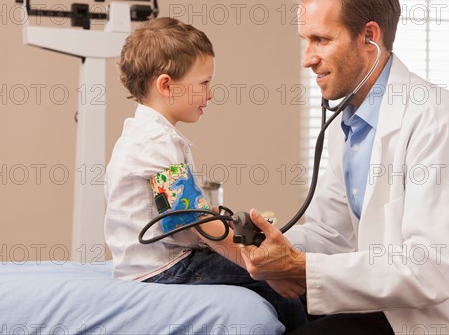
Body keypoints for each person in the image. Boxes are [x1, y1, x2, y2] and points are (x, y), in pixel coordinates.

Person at [239, 0, 449, 334]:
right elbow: (331, 236)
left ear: (369, 36)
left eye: (321, 40)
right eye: (305, 40)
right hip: (394, 314)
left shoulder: (439, 126)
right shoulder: (348, 124)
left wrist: (299, 268)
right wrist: (269, 245)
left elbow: (430, 269)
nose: (307, 58)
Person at [104, 17, 307, 331]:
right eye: (204, 83)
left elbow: (184, 212)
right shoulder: (156, 141)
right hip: (162, 268)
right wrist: (258, 267)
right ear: (166, 85)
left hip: (157, 262)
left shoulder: (144, 134)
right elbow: (188, 220)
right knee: (280, 286)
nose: (210, 95)